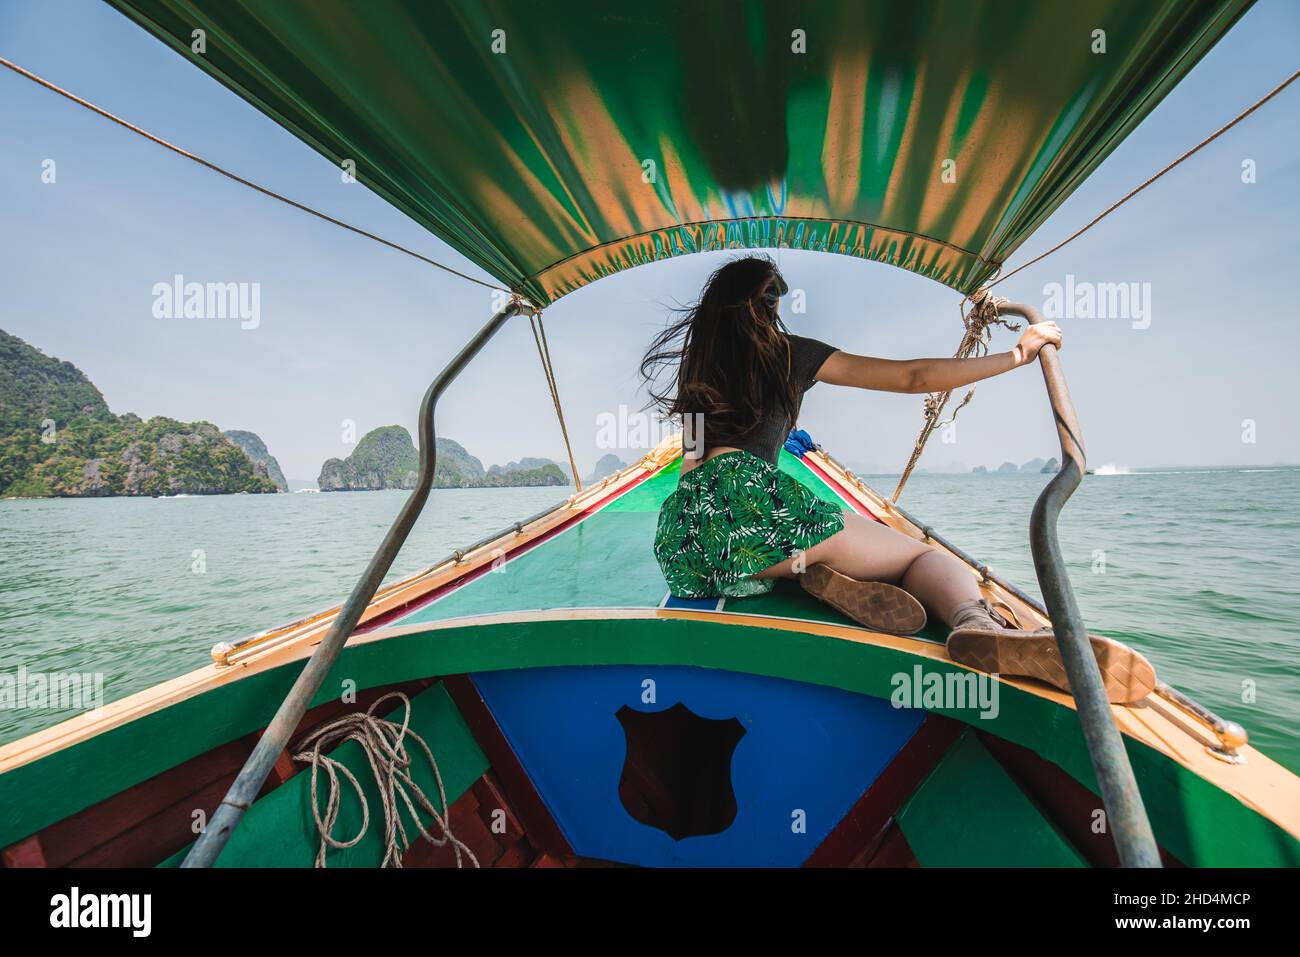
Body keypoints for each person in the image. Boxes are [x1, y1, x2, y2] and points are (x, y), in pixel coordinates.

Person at [642, 255, 1154, 703]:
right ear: (767, 302)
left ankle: (807, 573)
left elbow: (691, 468)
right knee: (921, 556)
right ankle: (975, 623)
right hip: (754, 500)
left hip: (686, 538)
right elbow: (913, 378)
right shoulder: (790, 352)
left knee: (772, 550)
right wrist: (1017, 354)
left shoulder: (697, 373)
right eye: (777, 294)